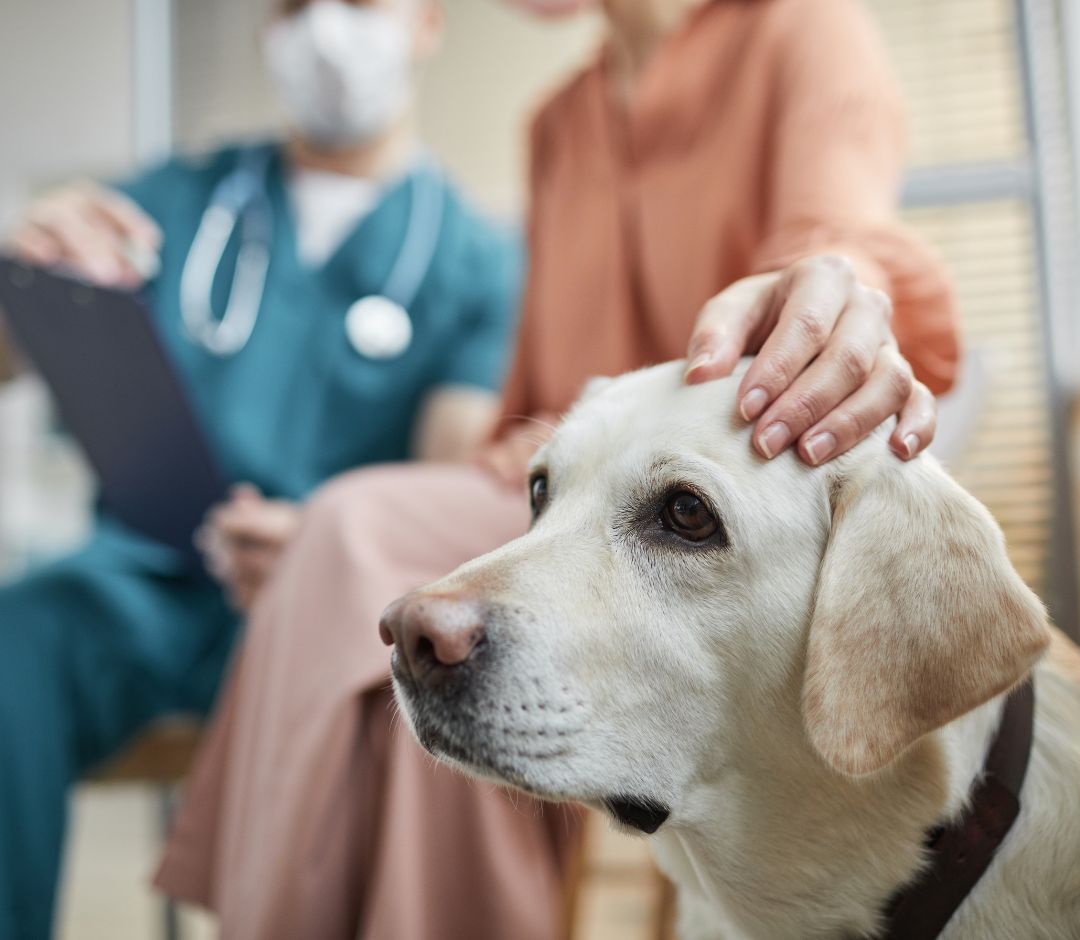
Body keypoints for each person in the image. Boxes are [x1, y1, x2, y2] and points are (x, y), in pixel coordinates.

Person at [156, 0, 960, 937]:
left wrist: (832, 287)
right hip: (557, 498)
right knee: (355, 551)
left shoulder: (800, 30)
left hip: (718, 510)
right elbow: (532, 415)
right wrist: (375, 531)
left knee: (358, 539)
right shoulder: (557, 124)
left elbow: (839, 233)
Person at [0, 0, 522, 936]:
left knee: (399, 728)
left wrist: (321, 548)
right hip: (145, 591)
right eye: (291, 4)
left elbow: (445, 480)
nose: (324, 29)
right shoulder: (176, 201)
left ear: (428, 22)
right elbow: (22, 347)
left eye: (360, 3)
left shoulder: (478, 261)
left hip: (331, 612)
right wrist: (23, 271)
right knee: (16, 637)